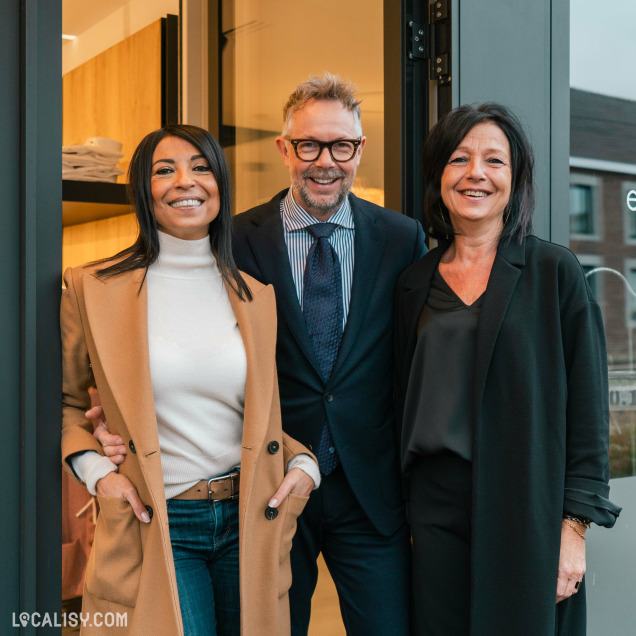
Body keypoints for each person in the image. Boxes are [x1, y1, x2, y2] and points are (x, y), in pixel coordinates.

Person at [61, 124, 319, 636]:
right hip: (158, 520)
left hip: (248, 517)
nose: (186, 181)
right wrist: (97, 471)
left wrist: (304, 464)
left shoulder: (255, 297)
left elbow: (259, 415)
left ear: (220, 186)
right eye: (165, 170)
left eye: (201, 168)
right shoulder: (91, 288)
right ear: (143, 189)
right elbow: (63, 402)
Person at [393, 103, 621, 635]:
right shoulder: (412, 283)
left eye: (494, 160)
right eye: (459, 158)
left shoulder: (553, 271)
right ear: (438, 176)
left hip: (526, 504)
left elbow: (587, 410)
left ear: (514, 178)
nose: (476, 172)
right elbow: (399, 401)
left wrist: (573, 530)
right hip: (433, 511)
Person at [231, 74, 426, 635]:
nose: (326, 161)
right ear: (284, 148)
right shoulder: (237, 240)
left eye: (341, 146)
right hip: (272, 481)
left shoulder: (399, 236)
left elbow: (412, 359)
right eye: (309, 145)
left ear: (359, 149)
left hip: (369, 488)